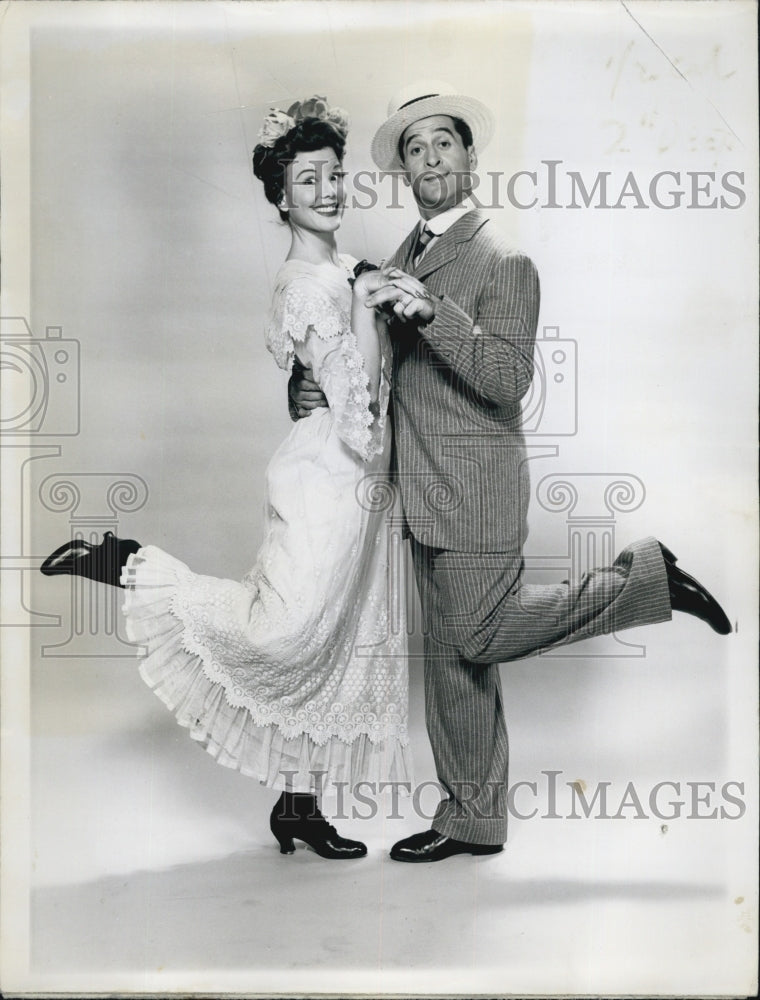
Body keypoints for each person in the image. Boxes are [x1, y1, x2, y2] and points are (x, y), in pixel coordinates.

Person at [289, 81, 732, 863]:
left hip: (476, 489)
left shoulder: (504, 260)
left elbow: (505, 377)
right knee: (455, 664)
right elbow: (379, 371)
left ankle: (646, 583)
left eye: (443, 144)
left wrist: (434, 313)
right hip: (416, 492)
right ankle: (473, 818)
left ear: (469, 157)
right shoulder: (400, 254)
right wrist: (312, 383)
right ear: (403, 168)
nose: (429, 158)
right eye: (414, 148)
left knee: (477, 635)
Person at [40, 96, 412, 860]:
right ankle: (125, 563)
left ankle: (299, 807)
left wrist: (370, 291)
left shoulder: (340, 267)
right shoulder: (303, 285)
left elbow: (343, 333)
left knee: (334, 643)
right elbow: (358, 414)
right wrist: (374, 314)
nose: (329, 192)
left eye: (335, 176)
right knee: (278, 632)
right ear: (280, 198)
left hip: (360, 492)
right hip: (329, 480)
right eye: (308, 182)